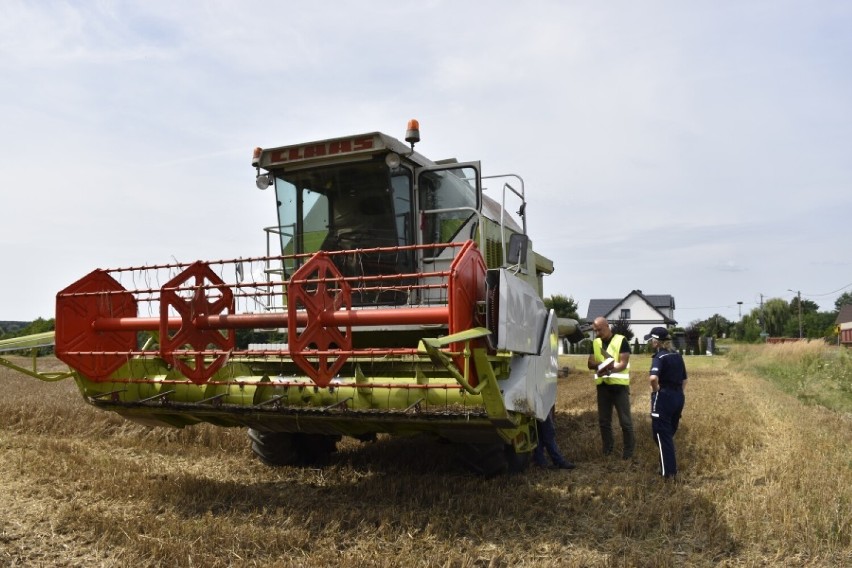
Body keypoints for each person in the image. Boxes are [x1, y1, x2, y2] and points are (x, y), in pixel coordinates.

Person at [587, 317, 634, 459]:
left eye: (599, 330)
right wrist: (600, 365)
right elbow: (590, 363)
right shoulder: (595, 343)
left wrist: (608, 369)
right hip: (603, 387)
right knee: (604, 421)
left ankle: (628, 452)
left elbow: (623, 363)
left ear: (608, 326)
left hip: (619, 387)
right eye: (595, 331)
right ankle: (607, 450)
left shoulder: (621, 340)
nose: (597, 333)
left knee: (625, 422)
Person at [644, 326, 688, 481]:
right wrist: (678, 394)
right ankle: (665, 465)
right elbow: (684, 379)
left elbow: (653, 378)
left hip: (664, 398)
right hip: (678, 398)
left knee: (662, 435)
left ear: (657, 342)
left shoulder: (659, 358)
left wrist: (656, 391)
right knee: (667, 434)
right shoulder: (677, 356)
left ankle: (669, 474)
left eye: (651, 340)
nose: (650, 343)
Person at [533, 405, 576, 470]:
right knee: (549, 432)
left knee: (539, 433)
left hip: (533, 406)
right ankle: (558, 461)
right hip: (540, 406)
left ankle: (540, 461)